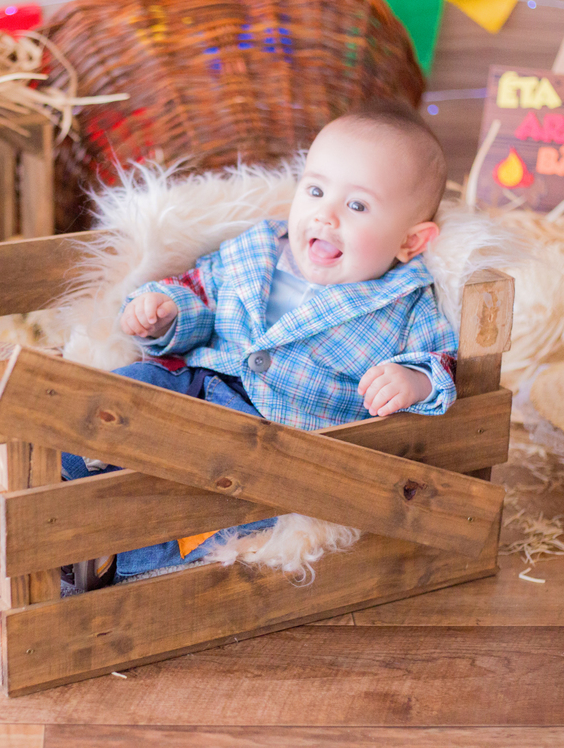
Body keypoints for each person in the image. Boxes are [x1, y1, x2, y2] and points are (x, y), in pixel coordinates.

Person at [62, 100, 458, 588]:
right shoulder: (256, 249)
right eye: (315, 191)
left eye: (357, 206)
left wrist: (413, 380)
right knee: (118, 394)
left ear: (410, 242)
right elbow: (201, 294)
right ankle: (63, 476)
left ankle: (111, 561)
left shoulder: (403, 303)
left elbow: (440, 360)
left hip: (274, 443)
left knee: (220, 515)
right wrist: (165, 311)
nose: (325, 215)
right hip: (195, 383)